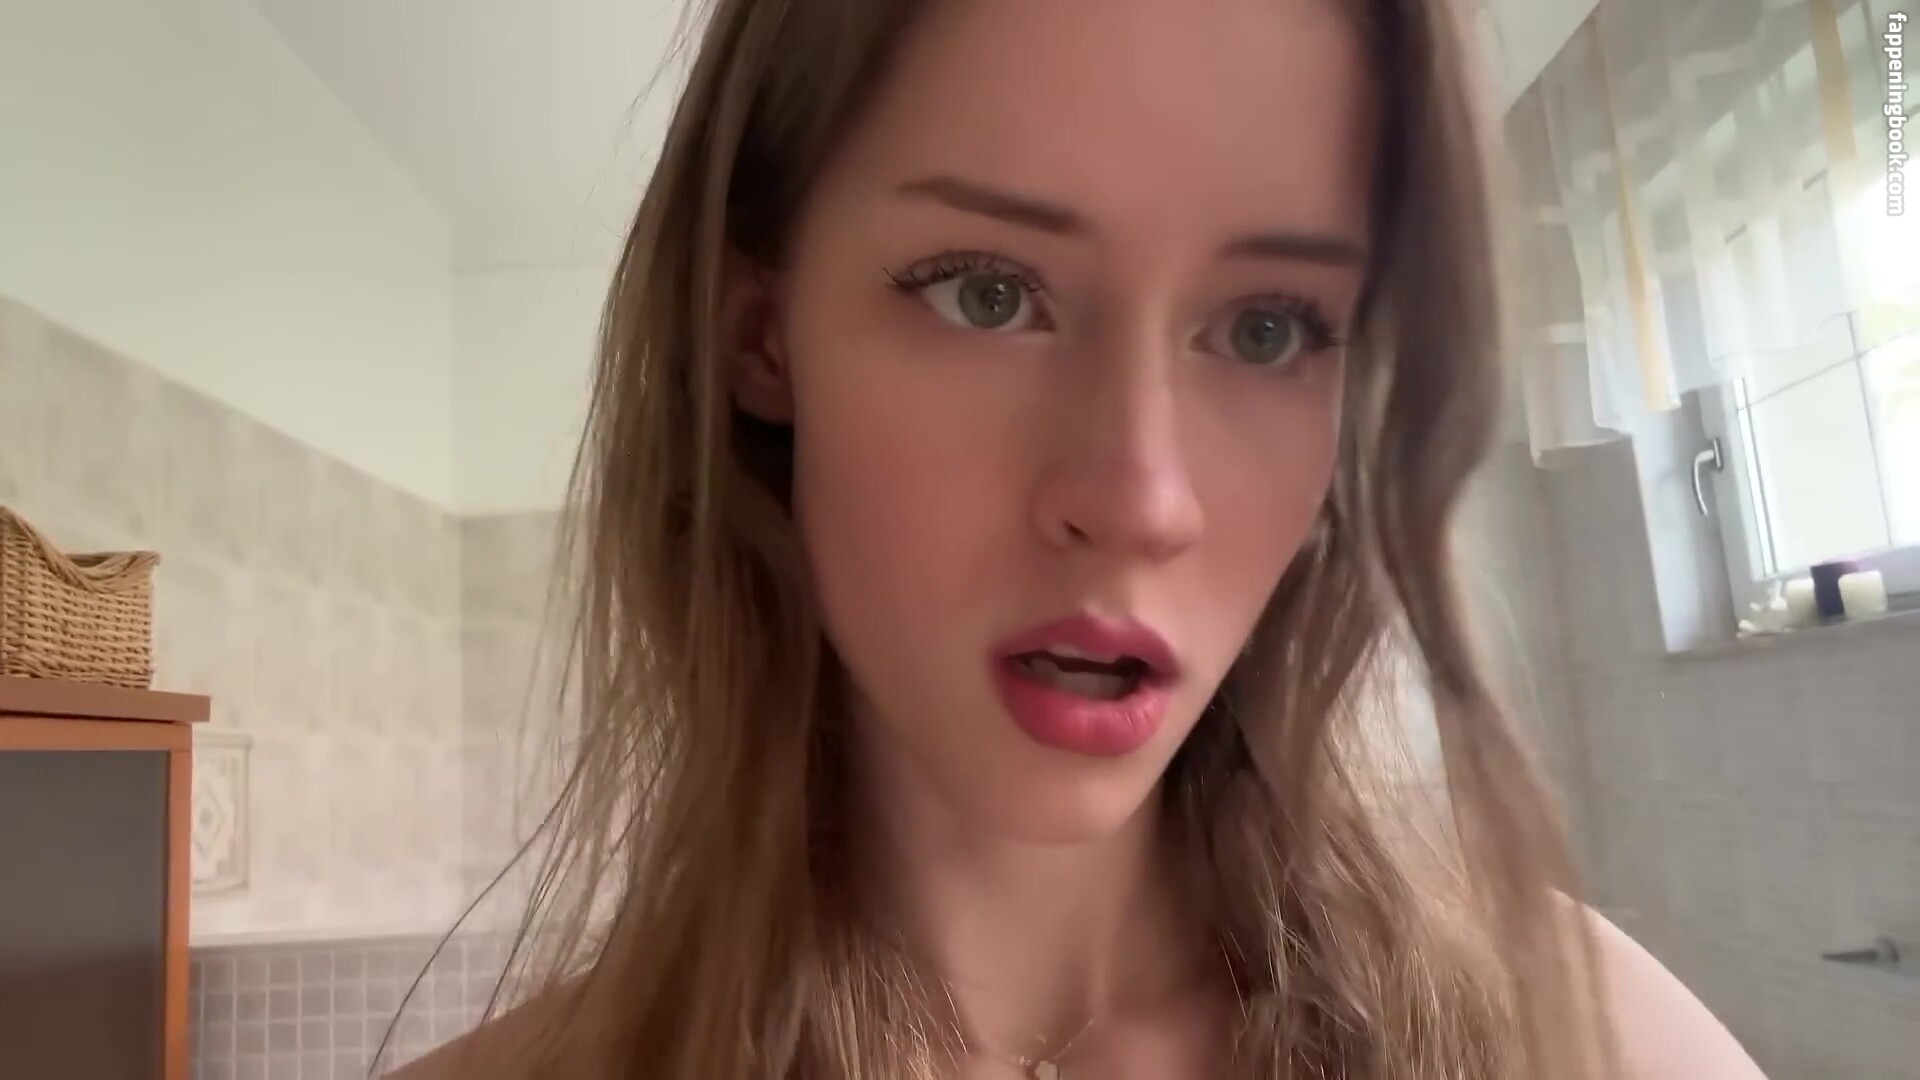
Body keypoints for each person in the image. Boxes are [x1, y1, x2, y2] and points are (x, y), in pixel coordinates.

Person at [399, 0, 1766, 1076]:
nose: (1142, 499)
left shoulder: (1584, 1044)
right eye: (988, 294)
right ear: (761, 336)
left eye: (1268, 328)